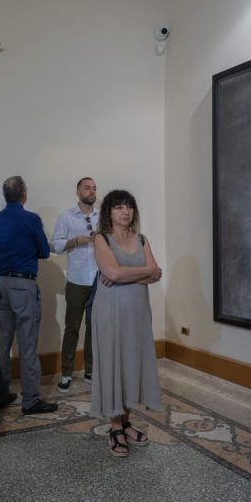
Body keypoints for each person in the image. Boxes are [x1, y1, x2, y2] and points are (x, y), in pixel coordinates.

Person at [89, 190, 162, 457]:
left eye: (129, 206)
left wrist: (125, 275)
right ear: (108, 212)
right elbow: (112, 272)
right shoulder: (101, 238)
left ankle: (126, 421)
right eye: (118, 207)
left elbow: (155, 274)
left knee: (133, 364)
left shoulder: (141, 239)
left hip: (138, 312)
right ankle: (115, 427)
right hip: (110, 311)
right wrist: (143, 272)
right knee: (114, 364)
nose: (125, 211)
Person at [0, 176, 57, 414]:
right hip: (23, 284)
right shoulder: (31, 219)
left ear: (5, 195)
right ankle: (30, 400)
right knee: (27, 343)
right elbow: (44, 251)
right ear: (24, 195)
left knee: (2, 342)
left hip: (0, 284)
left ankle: (1, 394)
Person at [50, 177, 99, 392]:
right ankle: (66, 373)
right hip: (77, 280)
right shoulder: (66, 216)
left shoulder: (102, 217)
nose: (91, 191)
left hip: (99, 279)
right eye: (87, 188)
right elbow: (55, 245)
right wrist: (76, 241)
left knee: (94, 327)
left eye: (94, 188)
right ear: (78, 192)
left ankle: (90, 370)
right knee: (72, 328)